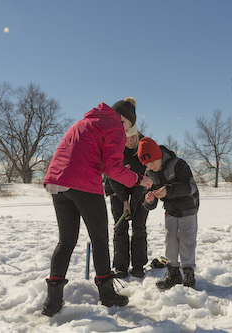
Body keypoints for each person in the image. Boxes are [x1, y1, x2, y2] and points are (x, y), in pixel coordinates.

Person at [41, 101, 153, 317]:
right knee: (100, 239)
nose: (128, 130)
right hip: (83, 184)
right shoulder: (114, 125)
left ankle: (52, 301)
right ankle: (107, 294)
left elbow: (86, 156)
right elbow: (113, 168)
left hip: (57, 182)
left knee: (66, 241)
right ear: (123, 118)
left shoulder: (85, 122)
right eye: (129, 125)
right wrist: (137, 179)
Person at [137, 137, 199, 289]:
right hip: (170, 210)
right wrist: (149, 199)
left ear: (159, 155)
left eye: (152, 161)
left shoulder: (178, 164)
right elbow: (149, 204)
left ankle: (188, 272)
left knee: (186, 240)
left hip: (188, 207)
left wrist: (168, 190)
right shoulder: (149, 173)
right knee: (170, 240)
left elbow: (191, 187)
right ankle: (173, 272)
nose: (150, 166)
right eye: (146, 164)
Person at [104, 98, 149, 279]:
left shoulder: (145, 146)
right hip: (117, 190)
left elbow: (146, 179)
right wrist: (124, 201)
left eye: (133, 138)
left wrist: (133, 202)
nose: (130, 142)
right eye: (127, 138)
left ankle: (138, 265)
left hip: (140, 190)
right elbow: (112, 177)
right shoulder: (115, 147)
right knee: (120, 227)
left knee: (139, 227)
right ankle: (120, 266)